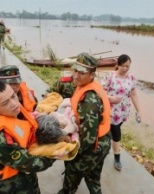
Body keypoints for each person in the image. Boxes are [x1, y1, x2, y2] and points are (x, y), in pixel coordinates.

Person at [0, 79, 54, 193]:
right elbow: (32, 164)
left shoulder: (11, 113)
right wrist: (56, 151)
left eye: (13, 96)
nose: (14, 103)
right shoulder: (0, 142)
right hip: (10, 187)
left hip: (24, 178)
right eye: (5, 103)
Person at [58, 53, 111, 194]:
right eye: (75, 70)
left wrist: (72, 153)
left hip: (93, 146)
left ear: (92, 74)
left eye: (82, 73)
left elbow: (88, 138)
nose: (76, 75)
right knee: (93, 178)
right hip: (102, 142)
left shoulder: (89, 100)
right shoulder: (86, 85)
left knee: (71, 180)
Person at [104, 54, 141, 171]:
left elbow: (133, 94)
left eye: (127, 66)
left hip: (123, 111)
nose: (125, 69)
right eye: (123, 66)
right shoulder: (110, 76)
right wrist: (110, 98)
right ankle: (117, 157)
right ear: (117, 65)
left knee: (113, 130)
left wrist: (138, 111)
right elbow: (100, 92)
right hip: (109, 111)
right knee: (116, 134)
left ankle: (107, 146)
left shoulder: (131, 78)